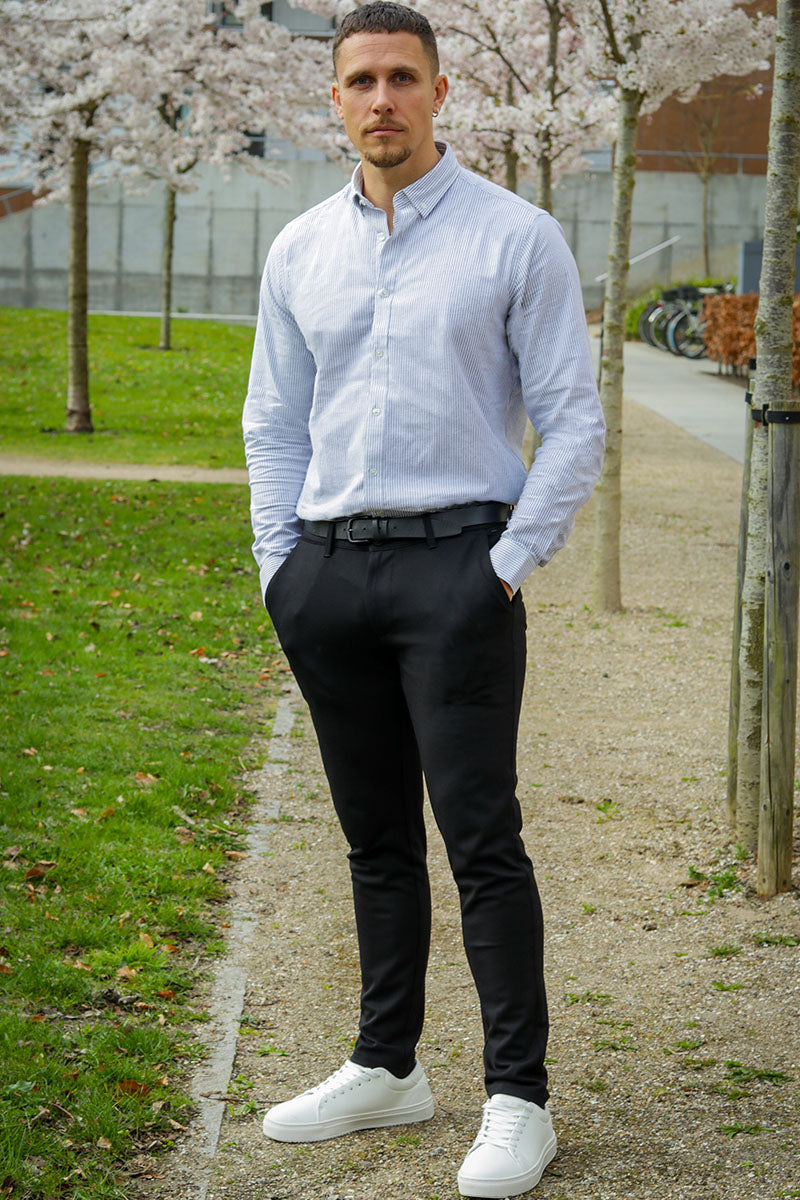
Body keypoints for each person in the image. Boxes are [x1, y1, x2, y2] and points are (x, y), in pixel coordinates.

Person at [242, 4, 604, 1195]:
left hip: (459, 567)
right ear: (334, 100)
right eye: (361, 80)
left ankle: (517, 1098)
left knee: (479, 838)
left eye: (402, 77)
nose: (381, 98)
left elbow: (572, 418)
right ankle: (385, 1065)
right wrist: (281, 569)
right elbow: (272, 421)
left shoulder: (514, 237)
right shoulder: (299, 249)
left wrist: (505, 563)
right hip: (327, 575)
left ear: (439, 94)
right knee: (374, 839)